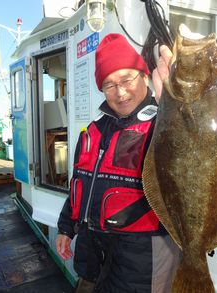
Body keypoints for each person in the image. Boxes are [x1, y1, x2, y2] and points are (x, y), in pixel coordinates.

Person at [55, 33, 180, 293]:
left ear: (144, 76)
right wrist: (66, 228)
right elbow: (80, 185)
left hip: (142, 260)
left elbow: (190, 151)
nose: (120, 92)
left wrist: (176, 105)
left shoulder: (164, 125)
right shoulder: (92, 131)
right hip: (92, 256)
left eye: (126, 80)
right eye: (109, 85)